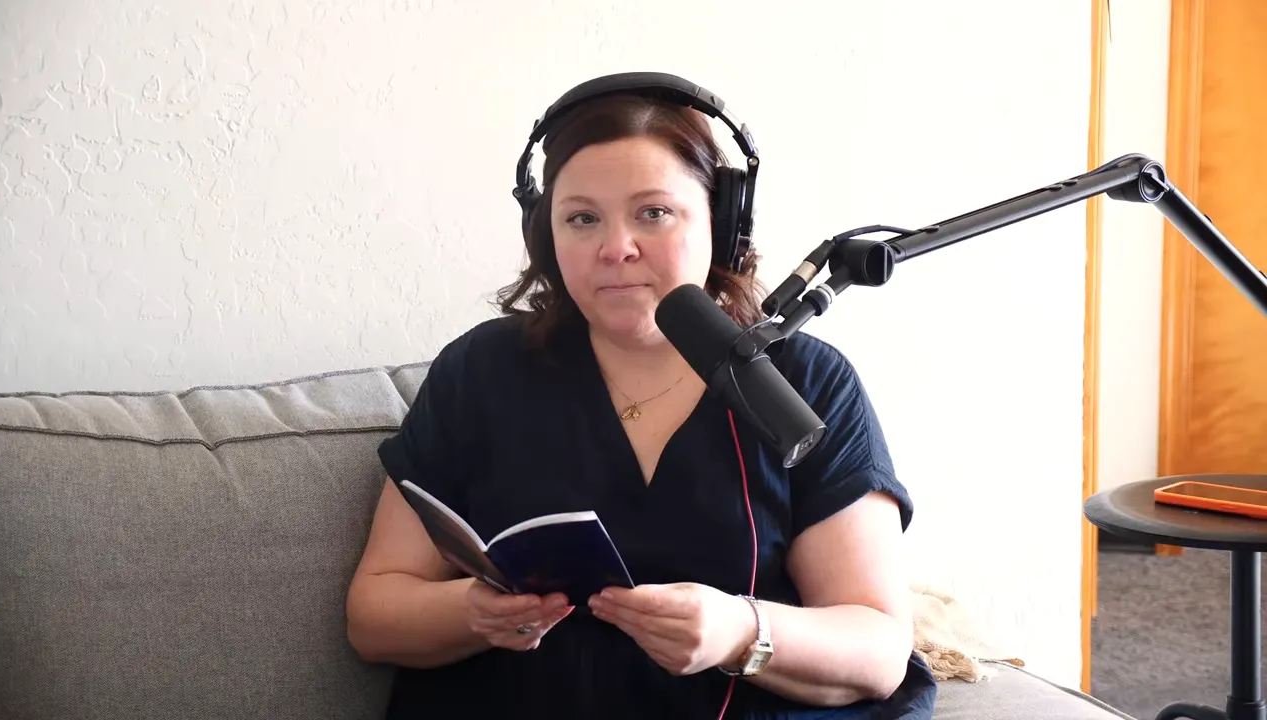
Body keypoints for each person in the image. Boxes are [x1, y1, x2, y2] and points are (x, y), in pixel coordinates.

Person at [344, 72, 938, 719]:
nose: (615, 249)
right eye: (582, 219)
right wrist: (469, 613)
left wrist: (741, 632)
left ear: (722, 221)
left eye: (653, 213)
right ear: (547, 235)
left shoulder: (804, 383)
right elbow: (374, 616)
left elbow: (878, 651)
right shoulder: (481, 372)